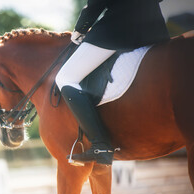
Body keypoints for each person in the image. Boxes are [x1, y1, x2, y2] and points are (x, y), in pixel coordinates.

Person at [56, 0, 169, 165]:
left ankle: (100, 146)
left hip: (118, 28)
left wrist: (80, 28)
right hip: (154, 27)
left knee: (65, 77)